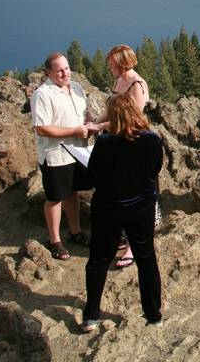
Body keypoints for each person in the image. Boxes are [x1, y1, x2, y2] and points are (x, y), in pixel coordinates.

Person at [81, 91, 164, 332]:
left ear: (113, 117)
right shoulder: (152, 140)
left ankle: (91, 314)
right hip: (141, 209)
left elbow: (92, 177)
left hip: (108, 209)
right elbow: (155, 170)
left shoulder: (105, 143)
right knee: (146, 259)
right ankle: (153, 314)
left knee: (98, 260)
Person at [31, 52, 96, 260]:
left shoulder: (76, 87)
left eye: (66, 68)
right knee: (55, 197)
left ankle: (75, 232)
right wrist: (74, 131)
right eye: (59, 70)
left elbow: (83, 113)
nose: (64, 73)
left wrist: (89, 123)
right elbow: (42, 128)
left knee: (73, 192)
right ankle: (55, 241)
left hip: (78, 152)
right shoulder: (42, 94)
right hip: (56, 155)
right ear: (48, 72)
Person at [100, 44, 152, 269]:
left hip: (131, 147)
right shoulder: (119, 81)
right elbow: (111, 109)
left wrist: (98, 125)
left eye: (111, 62)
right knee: (116, 195)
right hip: (114, 145)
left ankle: (132, 245)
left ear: (121, 62)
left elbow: (132, 121)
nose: (109, 65)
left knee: (132, 197)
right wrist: (95, 120)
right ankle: (121, 236)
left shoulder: (137, 85)